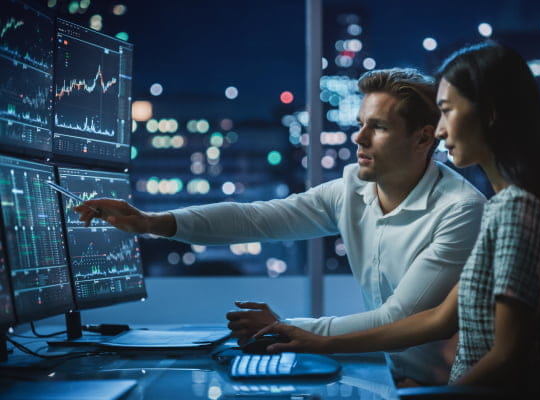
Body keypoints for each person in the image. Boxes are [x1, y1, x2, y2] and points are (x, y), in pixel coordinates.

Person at [74, 68, 486, 385]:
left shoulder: (461, 210)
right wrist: (152, 222)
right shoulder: (351, 189)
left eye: (377, 127)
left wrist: (284, 328)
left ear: (422, 138)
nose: (358, 138)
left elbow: (399, 318)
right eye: (359, 123)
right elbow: (258, 217)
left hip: (441, 387)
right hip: (379, 372)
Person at [255, 42, 540, 396]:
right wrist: (317, 342)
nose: (440, 130)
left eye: (446, 111)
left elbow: (507, 355)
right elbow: (438, 319)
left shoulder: (515, 210)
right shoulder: (501, 208)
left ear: (489, 112)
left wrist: (442, 395)